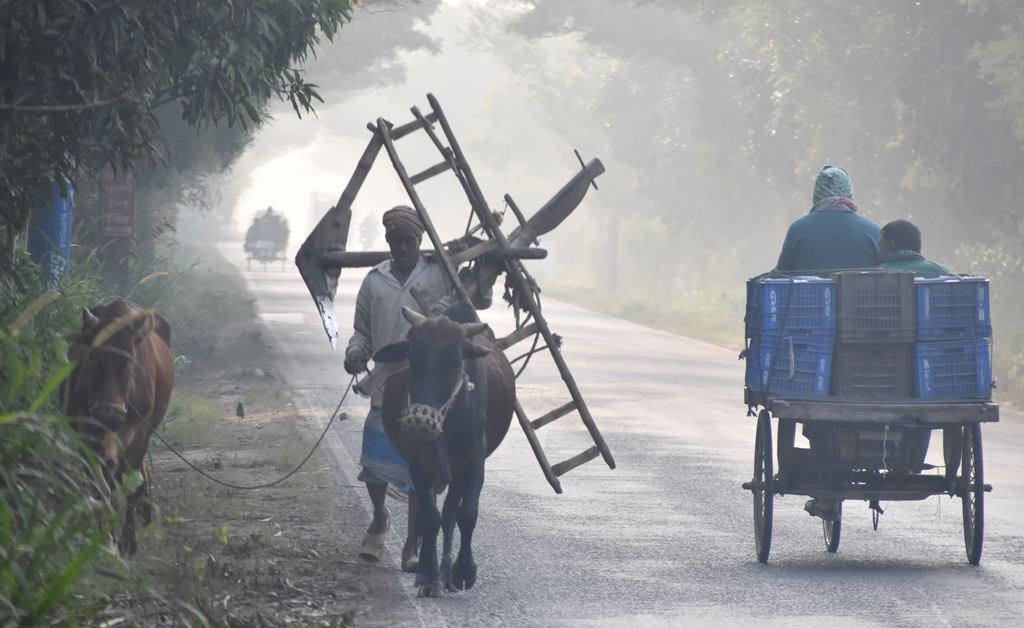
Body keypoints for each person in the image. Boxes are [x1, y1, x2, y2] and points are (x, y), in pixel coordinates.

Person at [344, 206, 451, 570]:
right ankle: (379, 516)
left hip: (427, 392)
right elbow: (362, 331)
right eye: (397, 241)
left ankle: (412, 545)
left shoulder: (439, 272)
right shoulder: (374, 281)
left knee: (420, 471)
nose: (404, 247)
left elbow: (473, 301)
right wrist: (356, 351)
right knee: (374, 467)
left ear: (420, 241)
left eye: (410, 240)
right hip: (384, 386)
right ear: (387, 241)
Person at [776, 165, 881, 273]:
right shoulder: (875, 232)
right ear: (849, 191)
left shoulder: (797, 229)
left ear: (817, 193)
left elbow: (782, 276)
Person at [874, 219, 950, 278]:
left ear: (891, 244)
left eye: (880, 245)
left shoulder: (875, 276)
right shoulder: (940, 270)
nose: (879, 250)